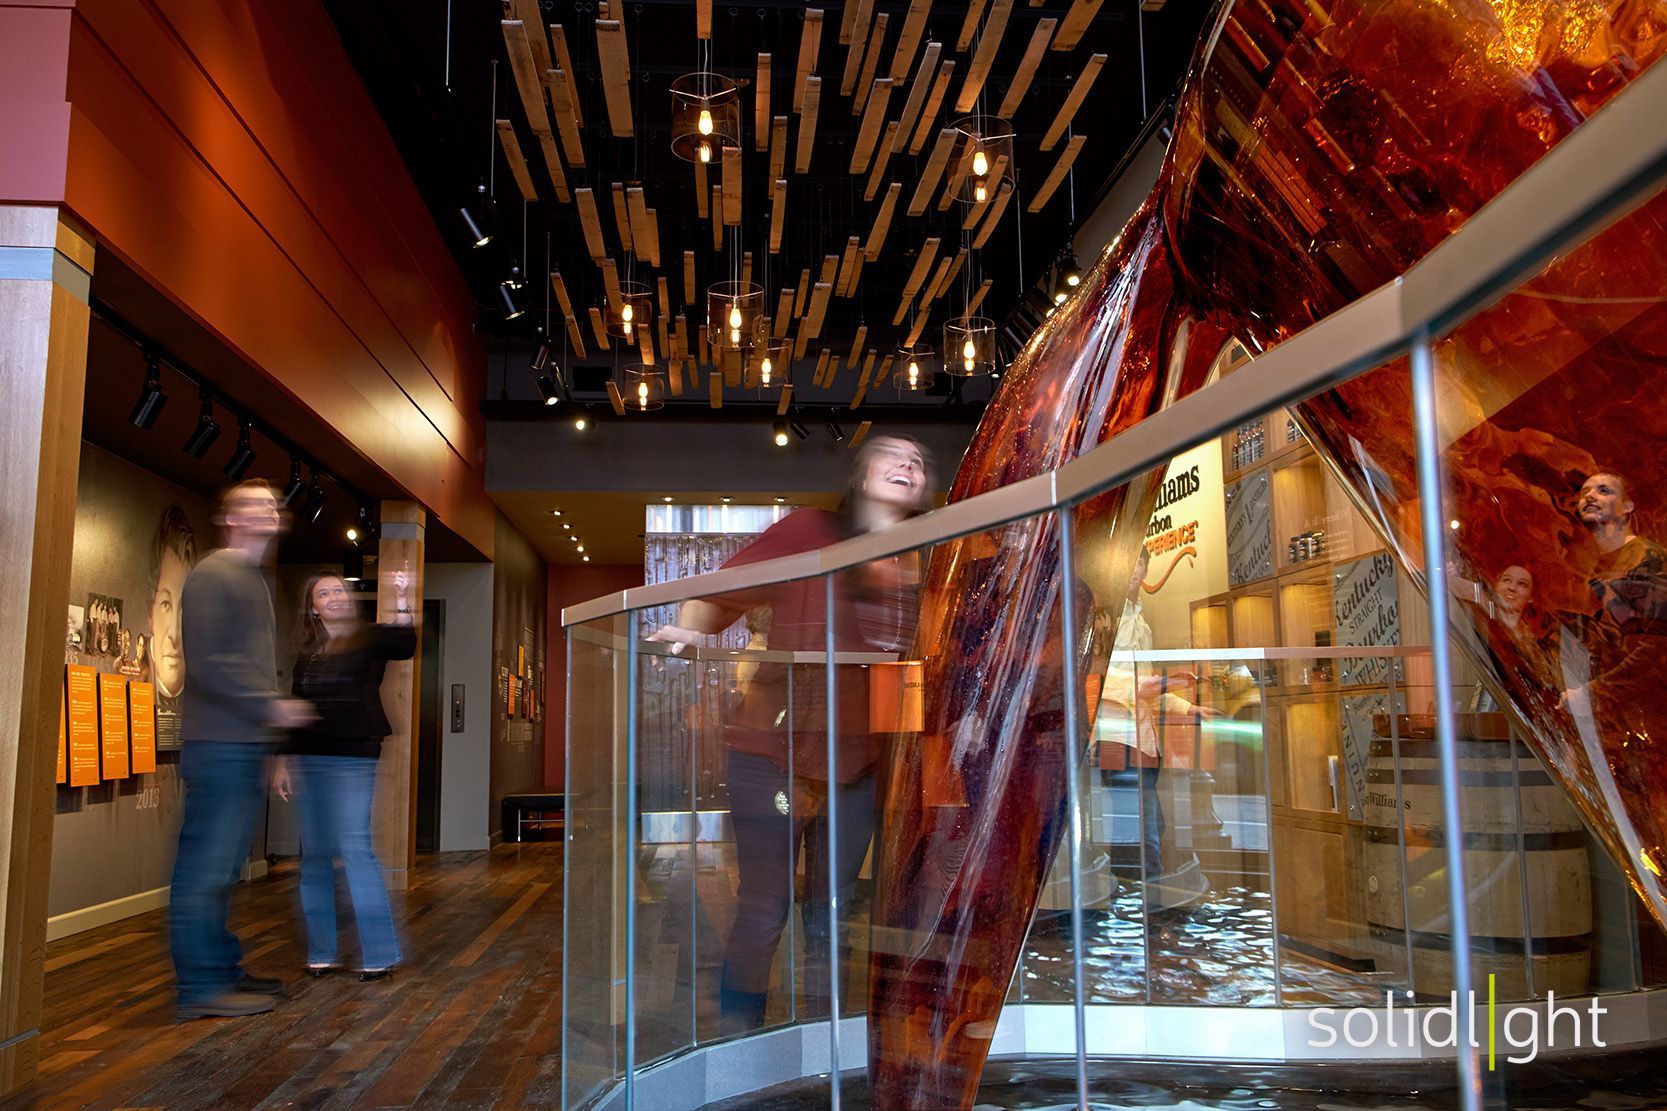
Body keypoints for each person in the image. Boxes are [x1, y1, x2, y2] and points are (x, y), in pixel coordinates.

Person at [649, 435, 933, 1032]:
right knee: (765, 906)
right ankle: (738, 1040)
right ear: (859, 476)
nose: (908, 464)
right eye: (892, 455)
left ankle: (820, 1042)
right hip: (773, 754)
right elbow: (727, 588)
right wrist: (691, 630)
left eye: (918, 460)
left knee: (834, 910)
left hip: (858, 763)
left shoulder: (920, 560)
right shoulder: (812, 530)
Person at [171, 480, 314, 1020]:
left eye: (272, 504)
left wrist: (274, 745)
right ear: (228, 518)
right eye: (251, 505)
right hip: (218, 746)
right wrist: (272, 708)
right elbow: (211, 666)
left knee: (225, 868)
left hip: (244, 746)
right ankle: (201, 987)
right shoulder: (213, 574)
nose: (267, 511)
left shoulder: (255, 580)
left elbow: (253, 669)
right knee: (206, 870)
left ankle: (221, 969)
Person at [274, 568, 415, 980]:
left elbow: (405, 644)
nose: (334, 597)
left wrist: (403, 598)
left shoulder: (368, 637)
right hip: (310, 755)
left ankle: (380, 953)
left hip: (355, 754)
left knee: (355, 846)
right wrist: (283, 759)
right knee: (314, 853)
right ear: (313, 608)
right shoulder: (309, 652)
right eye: (324, 594)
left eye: (339, 590)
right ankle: (322, 952)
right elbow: (295, 705)